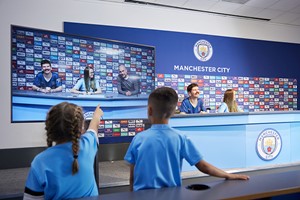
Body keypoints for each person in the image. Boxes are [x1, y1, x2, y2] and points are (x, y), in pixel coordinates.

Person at [124, 87, 249, 191]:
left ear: (149, 110)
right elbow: (203, 166)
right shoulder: (180, 138)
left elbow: (132, 178)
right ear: (173, 112)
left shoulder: (138, 139)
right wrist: (228, 175)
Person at [23, 103, 103, 200]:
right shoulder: (88, 145)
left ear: (50, 128)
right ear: (81, 129)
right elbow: (94, 125)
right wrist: (97, 114)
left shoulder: (39, 162)